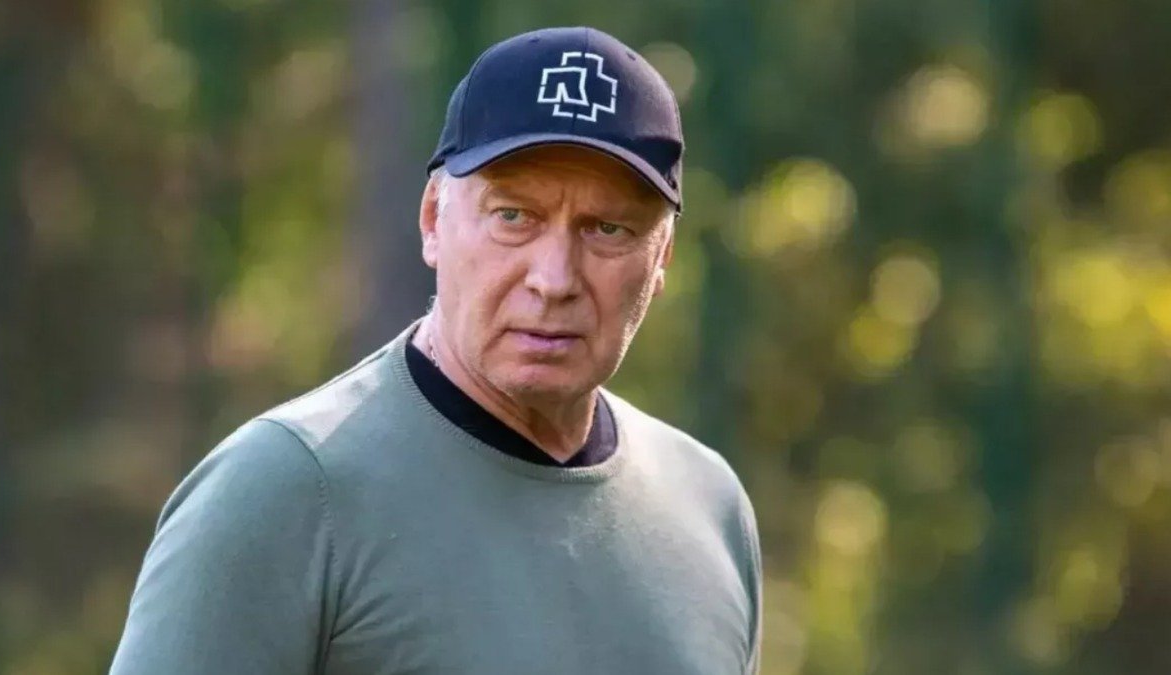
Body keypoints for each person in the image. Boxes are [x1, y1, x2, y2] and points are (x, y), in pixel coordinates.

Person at [110, 26, 762, 675]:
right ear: (432, 219)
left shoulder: (708, 509)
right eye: (514, 216)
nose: (554, 278)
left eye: (607, 228)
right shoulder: (283, 492)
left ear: (662, 256)